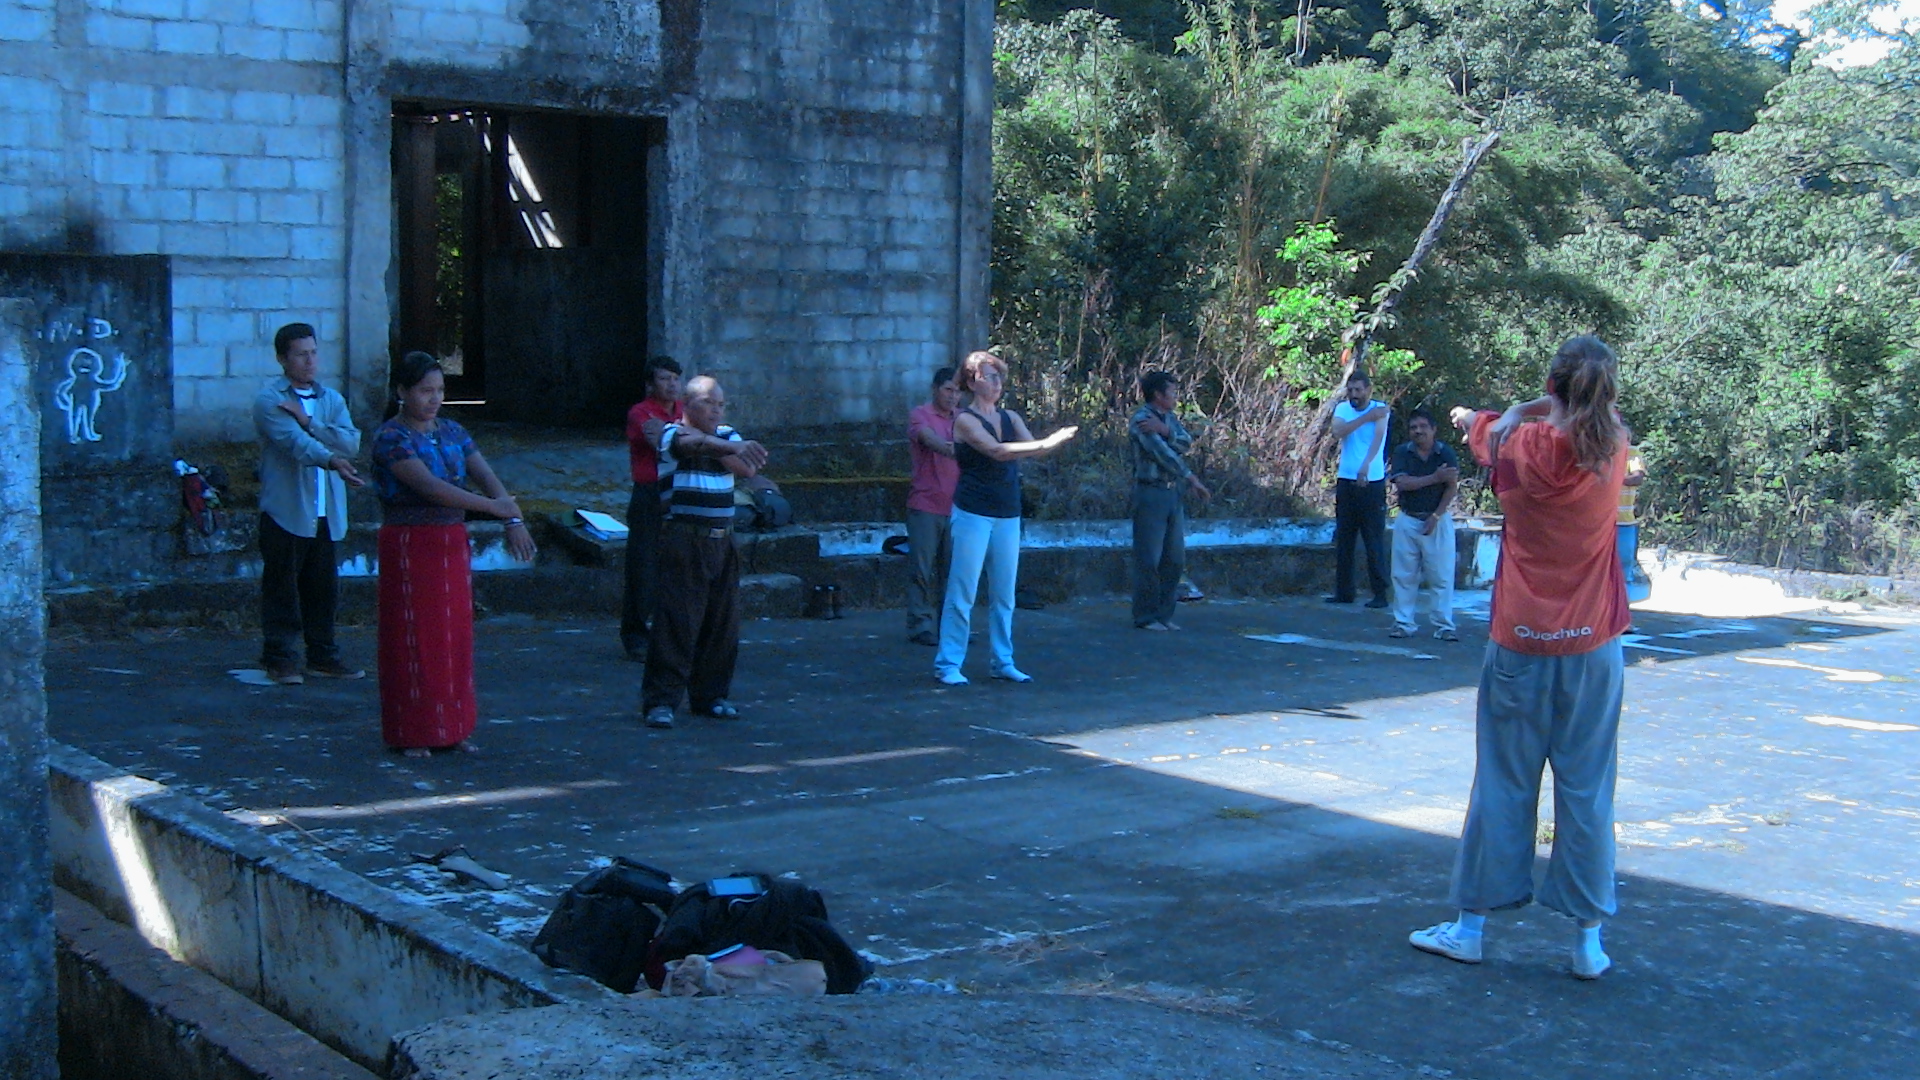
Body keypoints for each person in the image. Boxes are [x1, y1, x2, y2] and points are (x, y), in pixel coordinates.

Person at [1410, 335, 1632, 981]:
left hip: (1520, 641)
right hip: (1593, 646)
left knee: (1502, 785)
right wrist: (1535, 406)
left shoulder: (1517, 442)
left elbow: (1481, 428)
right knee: (1587, 791)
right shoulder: (1612, 444)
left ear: (1552, 385)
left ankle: (1470, 929)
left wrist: (1505, 412)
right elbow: (1589, 407)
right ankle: (1587, 943)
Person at [370, 352, 537, 756]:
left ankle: (453, 726)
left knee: (453, 636)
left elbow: (485, 475)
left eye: (439, 390)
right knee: (414, 637)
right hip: (411, 543)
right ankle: (413, 730)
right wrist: (493, 508)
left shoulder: (452, 431)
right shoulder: (391, 438)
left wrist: (512, 517)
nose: (434, 399)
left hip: (450, 541)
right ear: (402, 391)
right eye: (424, 391)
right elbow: (430, 487)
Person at [934, 351, 1077, 686]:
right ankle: (948, 664)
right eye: (989, 376)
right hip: (973, 513)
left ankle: (1003, 661)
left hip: (1007, 512)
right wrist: (1048, 440)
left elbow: (1034, 449)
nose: (997, 383)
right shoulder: (965, 420)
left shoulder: (1010, 417)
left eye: (999, 376)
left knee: (1004, 594)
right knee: (963, 591)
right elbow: (997, 451)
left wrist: (1050, 443)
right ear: (972, 382)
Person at [641, 376, 770, 729]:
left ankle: (711, 695)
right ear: (687, 404)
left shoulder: (726, 434)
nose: (716, 411)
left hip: (722, 539)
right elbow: (686, 444)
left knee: (721, 622)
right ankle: (661, 700)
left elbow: (745, 467)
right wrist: (721, 445)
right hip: (685, 537)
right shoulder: (671, 433)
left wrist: (717, 444)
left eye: (721, 405)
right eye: (708, 403)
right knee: (677, 621)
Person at [253, 322, 365, 685]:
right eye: (301, 354)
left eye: (314, 352)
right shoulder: (270, 400)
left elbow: (350, 443)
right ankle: (280, 657)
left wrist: (310, 421)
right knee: (282, 588)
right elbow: (294, 443)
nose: (310, 361)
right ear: (282, 359)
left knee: (323, 590)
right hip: (286, 510)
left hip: (325, 512)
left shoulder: (330, 399)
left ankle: (323, 654)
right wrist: (330, 458)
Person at [1130, 370, 1209, 631]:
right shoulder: (1141, 419)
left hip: (1172, 492)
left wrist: (1165, 430)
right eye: (1172, 392)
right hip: (1150, 492)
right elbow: (1164, 455)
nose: (1176, 397)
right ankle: (1146, 616)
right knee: (1149, 558)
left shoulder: (1169, 419)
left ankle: (1164, 614)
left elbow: (1186, 442)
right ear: (1158, 394)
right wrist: (1191, 478)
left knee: (1174, 559)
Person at [621, 357, 685, 660]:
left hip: (680, 491)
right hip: (649, 493)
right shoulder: (640, 412)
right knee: (643, 566)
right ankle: (635, 635)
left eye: (675, 379)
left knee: (677, 565)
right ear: (650, 384)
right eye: (664, 379)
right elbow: (661, 440)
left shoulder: (685, 410)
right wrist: (689, 436)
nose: (671, 385)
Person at [1387, 408, 1460, 641]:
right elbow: (1402, 483)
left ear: (1433, 430)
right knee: (1403, 575)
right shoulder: (1403, 452)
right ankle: (1403, 623)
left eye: (1423, 427)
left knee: (1441, 576)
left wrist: (1436, 516)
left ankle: (1444, 625)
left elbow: (1451, 487)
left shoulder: (1445, 453)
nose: (1418, 431)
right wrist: (1434, 478)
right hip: (1408, 518)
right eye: (1413, 427)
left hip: (1437, 519)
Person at [905, 367, 962, 645]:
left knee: (953, 572)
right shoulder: (920, 415)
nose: (953, 396)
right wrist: (964, 449)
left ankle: (950, 627)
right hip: (926, 503)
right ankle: (920, 625)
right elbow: (930, 440)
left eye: (958, 392)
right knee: (922, 569)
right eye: (948, 390)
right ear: (935, 389)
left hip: (958, 506)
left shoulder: (963, 419)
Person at [1327, 371, 1391, 608]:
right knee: (1345, 538)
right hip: (1346, 480)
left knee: (1373, 539)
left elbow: (1377, 440)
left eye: (1358, 390)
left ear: (1368, 390)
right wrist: (1365, 418)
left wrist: (1365, 467)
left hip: (1371, 482)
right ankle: (1344, 592)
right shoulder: (1343, 409)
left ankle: (1380, 593)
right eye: (1350, 390)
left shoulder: (1380, 409)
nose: (1354, 394)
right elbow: (1338, 431)